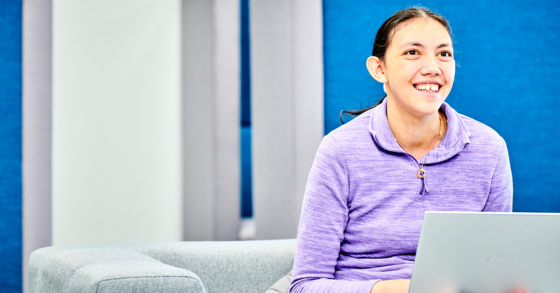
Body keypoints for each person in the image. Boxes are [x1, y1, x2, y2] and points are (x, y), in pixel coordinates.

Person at [289, 7, 513, 293]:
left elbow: (495, 268)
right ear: (379, 69)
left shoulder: (489, 149)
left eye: (444, 54)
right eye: (412, 53)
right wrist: (403, 290)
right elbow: (305, 286)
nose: (433, 67)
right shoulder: (340, 151)